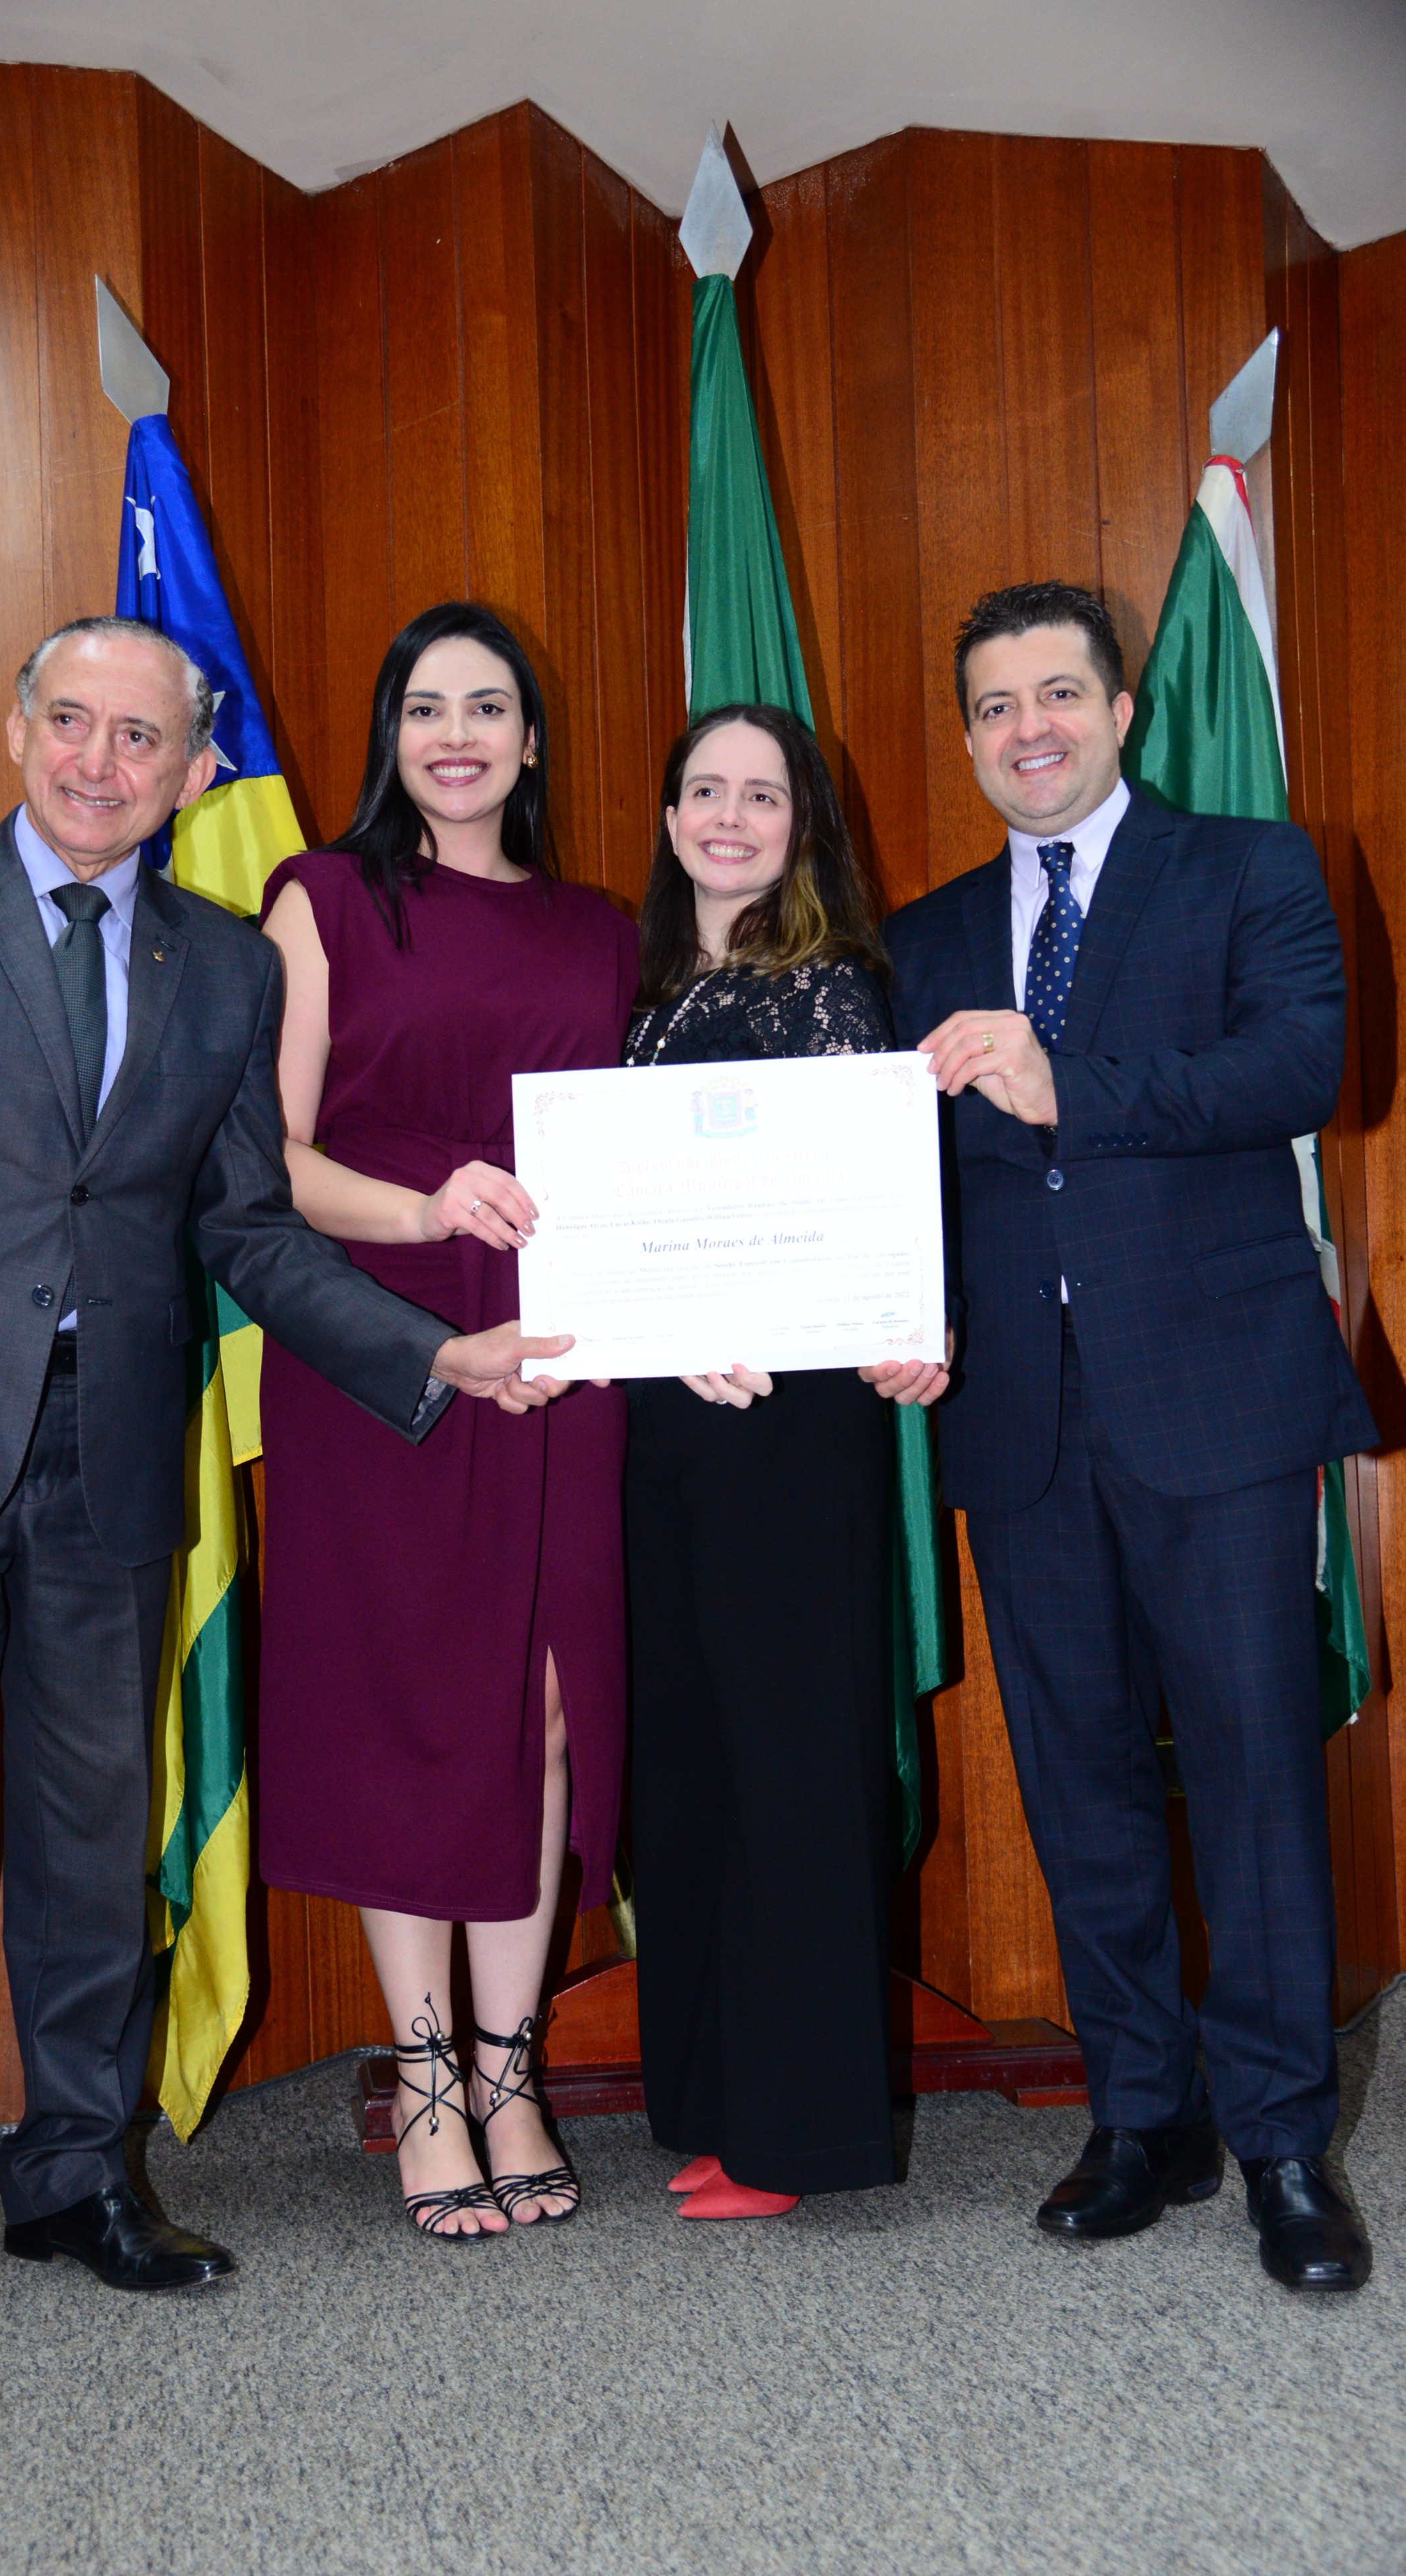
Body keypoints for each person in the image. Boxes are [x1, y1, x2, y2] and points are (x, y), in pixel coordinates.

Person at [0, 615, 563, 2378]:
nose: (99, 763)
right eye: (72, 722)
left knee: (88, 1852)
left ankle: (75, 2179)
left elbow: (249, 1228)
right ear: (16, 727)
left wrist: (428, 1354)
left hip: (114, 1468)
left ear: (197, 768)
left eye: (141, 738)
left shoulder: (226, 966)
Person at [878, 579, 1378, 2292]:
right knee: (1077, 1779)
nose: (1028, 728)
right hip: (1017, 1413)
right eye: (994, 705)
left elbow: (1296, 1069)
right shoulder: (927, 932)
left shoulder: (1250, 869)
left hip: (1218, 1398)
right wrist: (896, 1304)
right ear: (967, 739)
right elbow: (902, 1171)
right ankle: (1140, 2113)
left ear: (1120, 710)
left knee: (1251, 1776)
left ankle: (1282, 2140)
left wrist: (1065, 1081)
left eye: (1057, 694)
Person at [258, 603, 637, 2240]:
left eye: (489, 708)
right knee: (406, 1705)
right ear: (390, 736)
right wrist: (429, 1212)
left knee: (540, 1709)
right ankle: (425, 2084)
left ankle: (510, 2072)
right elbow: (268, 1160)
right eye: (427, 707)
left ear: (532, 741)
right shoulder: (324, 896)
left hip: (562, 1353)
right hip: (387, 1349)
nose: (458, 735)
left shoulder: (603, 928)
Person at [623, 703, 905, 2223]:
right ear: (670, 818)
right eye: (704, 791)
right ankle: (715, 2095)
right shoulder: (655, 986)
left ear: (805, 827)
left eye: (762, 795)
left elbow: (846, 1217)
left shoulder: (829, 985)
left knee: (788, 1764)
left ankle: (799, 2134)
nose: (728, 817)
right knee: (692, 1760)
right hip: (669, 1419)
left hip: (786, 1423)